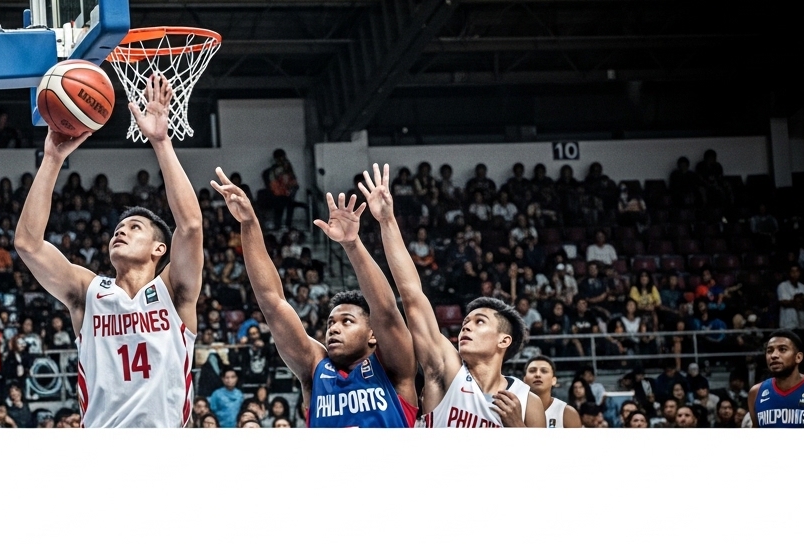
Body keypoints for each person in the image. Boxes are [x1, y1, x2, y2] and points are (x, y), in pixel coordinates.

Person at [14, 75, 202, 427]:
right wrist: (52, 159)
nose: (121, 231)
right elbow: (28, 244)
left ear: (159, 248)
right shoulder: (89, 292)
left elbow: (190, 226)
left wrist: (161, 142)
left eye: (135, 227)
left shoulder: (174, 291)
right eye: (118, 228)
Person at [211, 167, 418, 427]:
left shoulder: (393, 368)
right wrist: (249, 223)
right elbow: (273, 304)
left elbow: (385, 310)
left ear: (373, 334)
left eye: (347, 321)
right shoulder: (316, 367)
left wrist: (352, 244)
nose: (334, 329)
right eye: (331, 323)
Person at [369, 164, 544, 427]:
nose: (466, 327)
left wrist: (518, 428)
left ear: (504, 340)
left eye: (479, 321)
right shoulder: (447, 370)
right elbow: (412, 295)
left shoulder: (528, 401)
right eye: (465, 322)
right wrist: (387, 221)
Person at [749, 330, 804, 428]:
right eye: (769, 351)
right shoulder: (755, 392)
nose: (774, 355)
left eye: (782, 349)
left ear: (798, 357)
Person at [524, 356, 580, 428]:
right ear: (524, 380)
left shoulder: (567, 413)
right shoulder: (514, 408)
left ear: (554, 380)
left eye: (544, 371)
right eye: (532, 371)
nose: (538, 374)